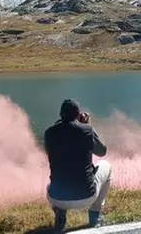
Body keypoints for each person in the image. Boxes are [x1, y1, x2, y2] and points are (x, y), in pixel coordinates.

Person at [44, 99, 112, 232]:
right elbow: (102, 151)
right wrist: (87, 126)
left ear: (60, 114)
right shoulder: (86, 130)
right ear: (78, 114)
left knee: (54, 182)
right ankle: (94, 217)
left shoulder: (49, 133)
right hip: (86, 196)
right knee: (106, 165)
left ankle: (60, 217)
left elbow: (49, 151)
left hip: (56, 197)